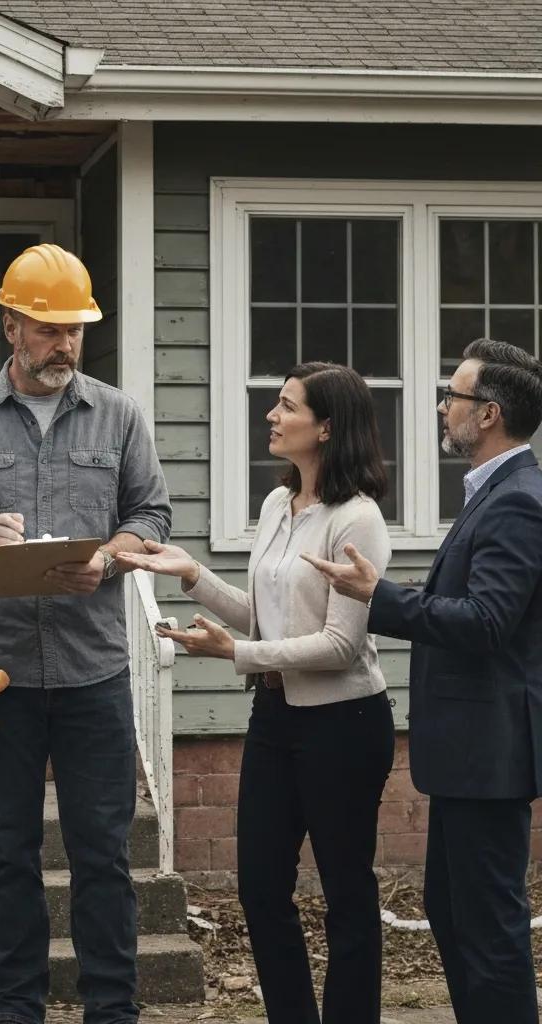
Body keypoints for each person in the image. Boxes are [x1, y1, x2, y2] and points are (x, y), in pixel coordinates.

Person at [0, 243, 172, 1024]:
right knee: (8, 857)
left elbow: (150, 515)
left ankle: (110, 1011)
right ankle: (17, 1009)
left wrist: (113, 561)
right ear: (10, 325)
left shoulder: (118, 415)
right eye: (50, 329)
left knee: (104, 859)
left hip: (95, 674)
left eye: (76, 330)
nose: (65, 345)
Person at [118, 362, 395, 1024]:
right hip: (274, 719)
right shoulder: (277, 505)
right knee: (261, 889)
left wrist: (234, 653)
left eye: (287, 406)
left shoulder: (358, 520)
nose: (271, 415)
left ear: (326, 427)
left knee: (346, 893)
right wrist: (193, 575)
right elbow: (266, 616)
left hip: (346, 724)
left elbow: (341, 646)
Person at [304, 339, 542, 1024]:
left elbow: (488, 621)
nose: (443, 407)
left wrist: (380, 595)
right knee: (453, 910)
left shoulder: (517, 500)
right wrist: (391, 593)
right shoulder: (492, 493)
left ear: (489, 413)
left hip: (489, 753)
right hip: (470, 754)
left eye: (454, 397)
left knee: (489, 925)